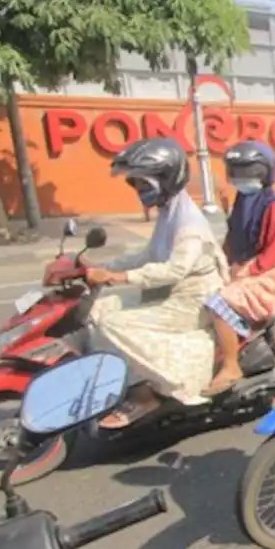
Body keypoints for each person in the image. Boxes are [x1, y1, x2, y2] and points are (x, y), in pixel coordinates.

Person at [83, 138, 229, 428]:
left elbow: (174, 270)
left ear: (166, 180)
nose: (139, 191)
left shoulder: (188, 223)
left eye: (143, 184)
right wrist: (104, 266)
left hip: (190, 301)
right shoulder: (170, 211)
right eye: (135, 185)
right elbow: (150, 254)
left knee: (114, 324)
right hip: (168, 292)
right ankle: (121, 379)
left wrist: (118, 277)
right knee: (94, 311)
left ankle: (146, 394)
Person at [201, 141, 275, 395]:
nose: (242, 179)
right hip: (244, 270)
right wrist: (217, 260)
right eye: (237, 172)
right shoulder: (243, 200)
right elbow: (233, 237)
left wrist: (247, 270)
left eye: (249, 173)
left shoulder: (273, 206)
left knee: (218, 303)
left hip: (267, 276)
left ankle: (232, 366)